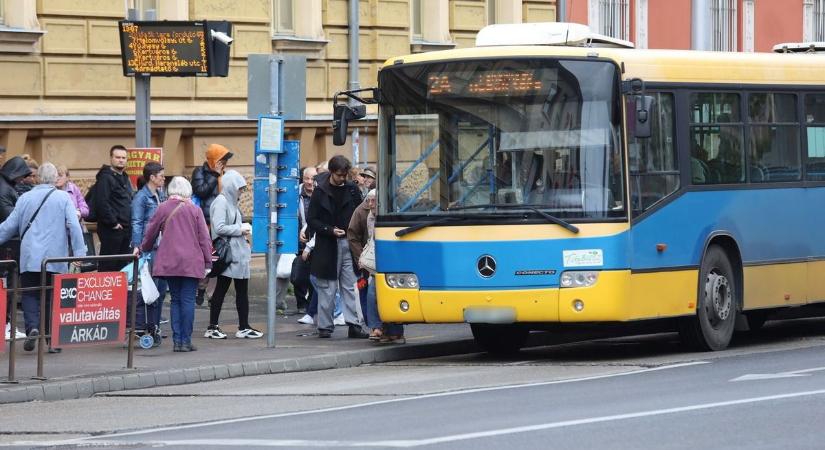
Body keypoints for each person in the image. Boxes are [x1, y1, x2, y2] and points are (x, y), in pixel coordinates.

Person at [0, 163, 86, 353]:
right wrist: (80, 253)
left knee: (30, 293)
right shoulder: (63, 198)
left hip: (30, 256)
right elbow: (74, 225)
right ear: (56, 179)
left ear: (38, 178)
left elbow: (8, 226)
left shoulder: (25, 198)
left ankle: (33, 328)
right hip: (56, 258)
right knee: (52, 297)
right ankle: (52, 340)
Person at [140, 177, 212, 352]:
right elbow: (204, 238)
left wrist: (145, 248)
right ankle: (185, 341)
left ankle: (177, 340)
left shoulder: (162, 208)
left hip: (170, 261)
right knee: (188, 300)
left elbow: (150, 232)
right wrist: (208, 261)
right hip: (191, 261)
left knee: (175, 300)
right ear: (187, 191)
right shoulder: (195, 210)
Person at [307, 155, 368, 339]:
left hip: (348, 243)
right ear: (332, 173)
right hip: (328, 244)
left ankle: (354, 325)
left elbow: (360, 214)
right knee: (328, 286)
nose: (342, 178)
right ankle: (325, 326)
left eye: (345, 175)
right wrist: (330, 230)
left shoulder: (351, 190)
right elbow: (312, 219)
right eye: (339, 175)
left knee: (350, 285)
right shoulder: (320, 191)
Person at [204, 170, 262, 339]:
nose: (241, 192)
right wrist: (240, 229)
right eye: (239, 188)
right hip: (230, 254)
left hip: (237, 253)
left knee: (241, 291)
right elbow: (219, 227)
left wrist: (241, 230)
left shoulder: (230, 201)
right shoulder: (221, 202)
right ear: (231, 186)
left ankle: (243, 325)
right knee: (222, 290)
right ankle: (213, 326)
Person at [130, 162, 168, 345]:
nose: (163, 178)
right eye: (161, 175)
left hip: (162, 247)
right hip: (150, 248)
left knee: (160, 290)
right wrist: (138, 245)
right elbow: (137, 221)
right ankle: (149, 326)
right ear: (152, 177)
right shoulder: (142, 197)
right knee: (150, 289)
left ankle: (155, 325)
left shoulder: (160, 195)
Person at [191, 143, 232, 305]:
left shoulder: (224, 174)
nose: (224, 163)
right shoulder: (199, 172)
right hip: (204, 222)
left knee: (218, 258)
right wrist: (215, 175)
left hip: (219, 223)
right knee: (203, 258)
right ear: (213, 159)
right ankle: (199, 290)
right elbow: (200, 191)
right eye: (222, 159)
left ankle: (211, 294)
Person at [0, 155, 32, 341]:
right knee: (9, 285)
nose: (23, 179)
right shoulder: (5, 189)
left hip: (9, 242)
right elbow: (11, 218)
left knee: (10, 285)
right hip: (8, 244)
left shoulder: (6, 186)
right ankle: (5, 324)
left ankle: (8, 323)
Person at [95, 145, 133, 272]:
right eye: (118, 157)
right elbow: (101, 203)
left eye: (123, 158)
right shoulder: (105, 178)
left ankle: (120, 293)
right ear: (111, 158)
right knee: (108, 267)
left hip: (125, 230)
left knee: (122, 268)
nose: (121, 160)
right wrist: (114, 223)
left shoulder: (125, 177)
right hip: (112, 230)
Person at [347, 188, 376, 338]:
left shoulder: (384, 211)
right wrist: (360, 258)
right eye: (368, 201)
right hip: (365, 261)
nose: (370, 204)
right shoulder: (360, 211)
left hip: (379, 259)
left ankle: (380, 326)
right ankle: (371, 326)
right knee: (365, 291)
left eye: (374, 201)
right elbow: (352, 236)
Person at [293, 166, 317, 323]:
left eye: (312, 179)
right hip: (299, 239)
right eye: (307, 178)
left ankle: (311, 307)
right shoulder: (296, 194)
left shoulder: (321, 193)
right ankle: (302, 302)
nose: (309, 182)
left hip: (316, 238)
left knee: (314, 276)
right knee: (298, 274)